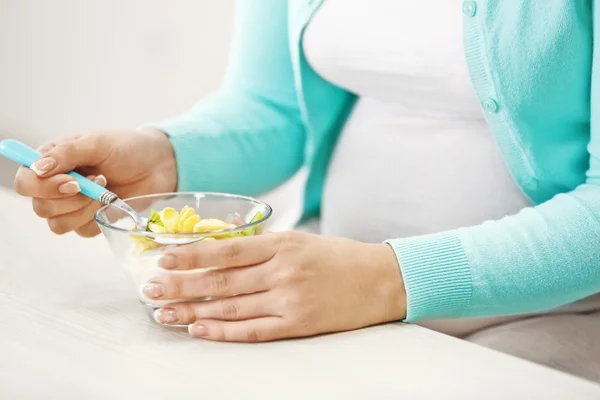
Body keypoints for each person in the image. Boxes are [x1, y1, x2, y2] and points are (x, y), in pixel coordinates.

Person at [12, 0, 600, 382]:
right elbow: (274, 107)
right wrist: (166, 158)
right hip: (316, 296)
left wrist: (383, 281)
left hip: (552, 318)